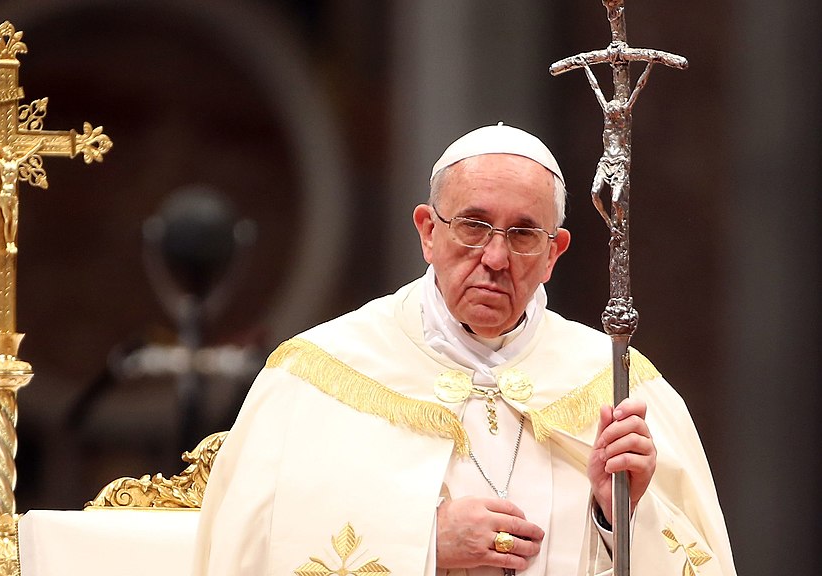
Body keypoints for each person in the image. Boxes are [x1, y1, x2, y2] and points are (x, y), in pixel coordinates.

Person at [192, 124, 736, 576]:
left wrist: (617, 517)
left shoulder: (618, 385)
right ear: (428, 231)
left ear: (554, 253)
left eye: (523, 234)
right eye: (474, 226)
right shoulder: (315, 375)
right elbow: (257, 545)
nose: (495, 258)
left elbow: (696, 556)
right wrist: (425, 543)